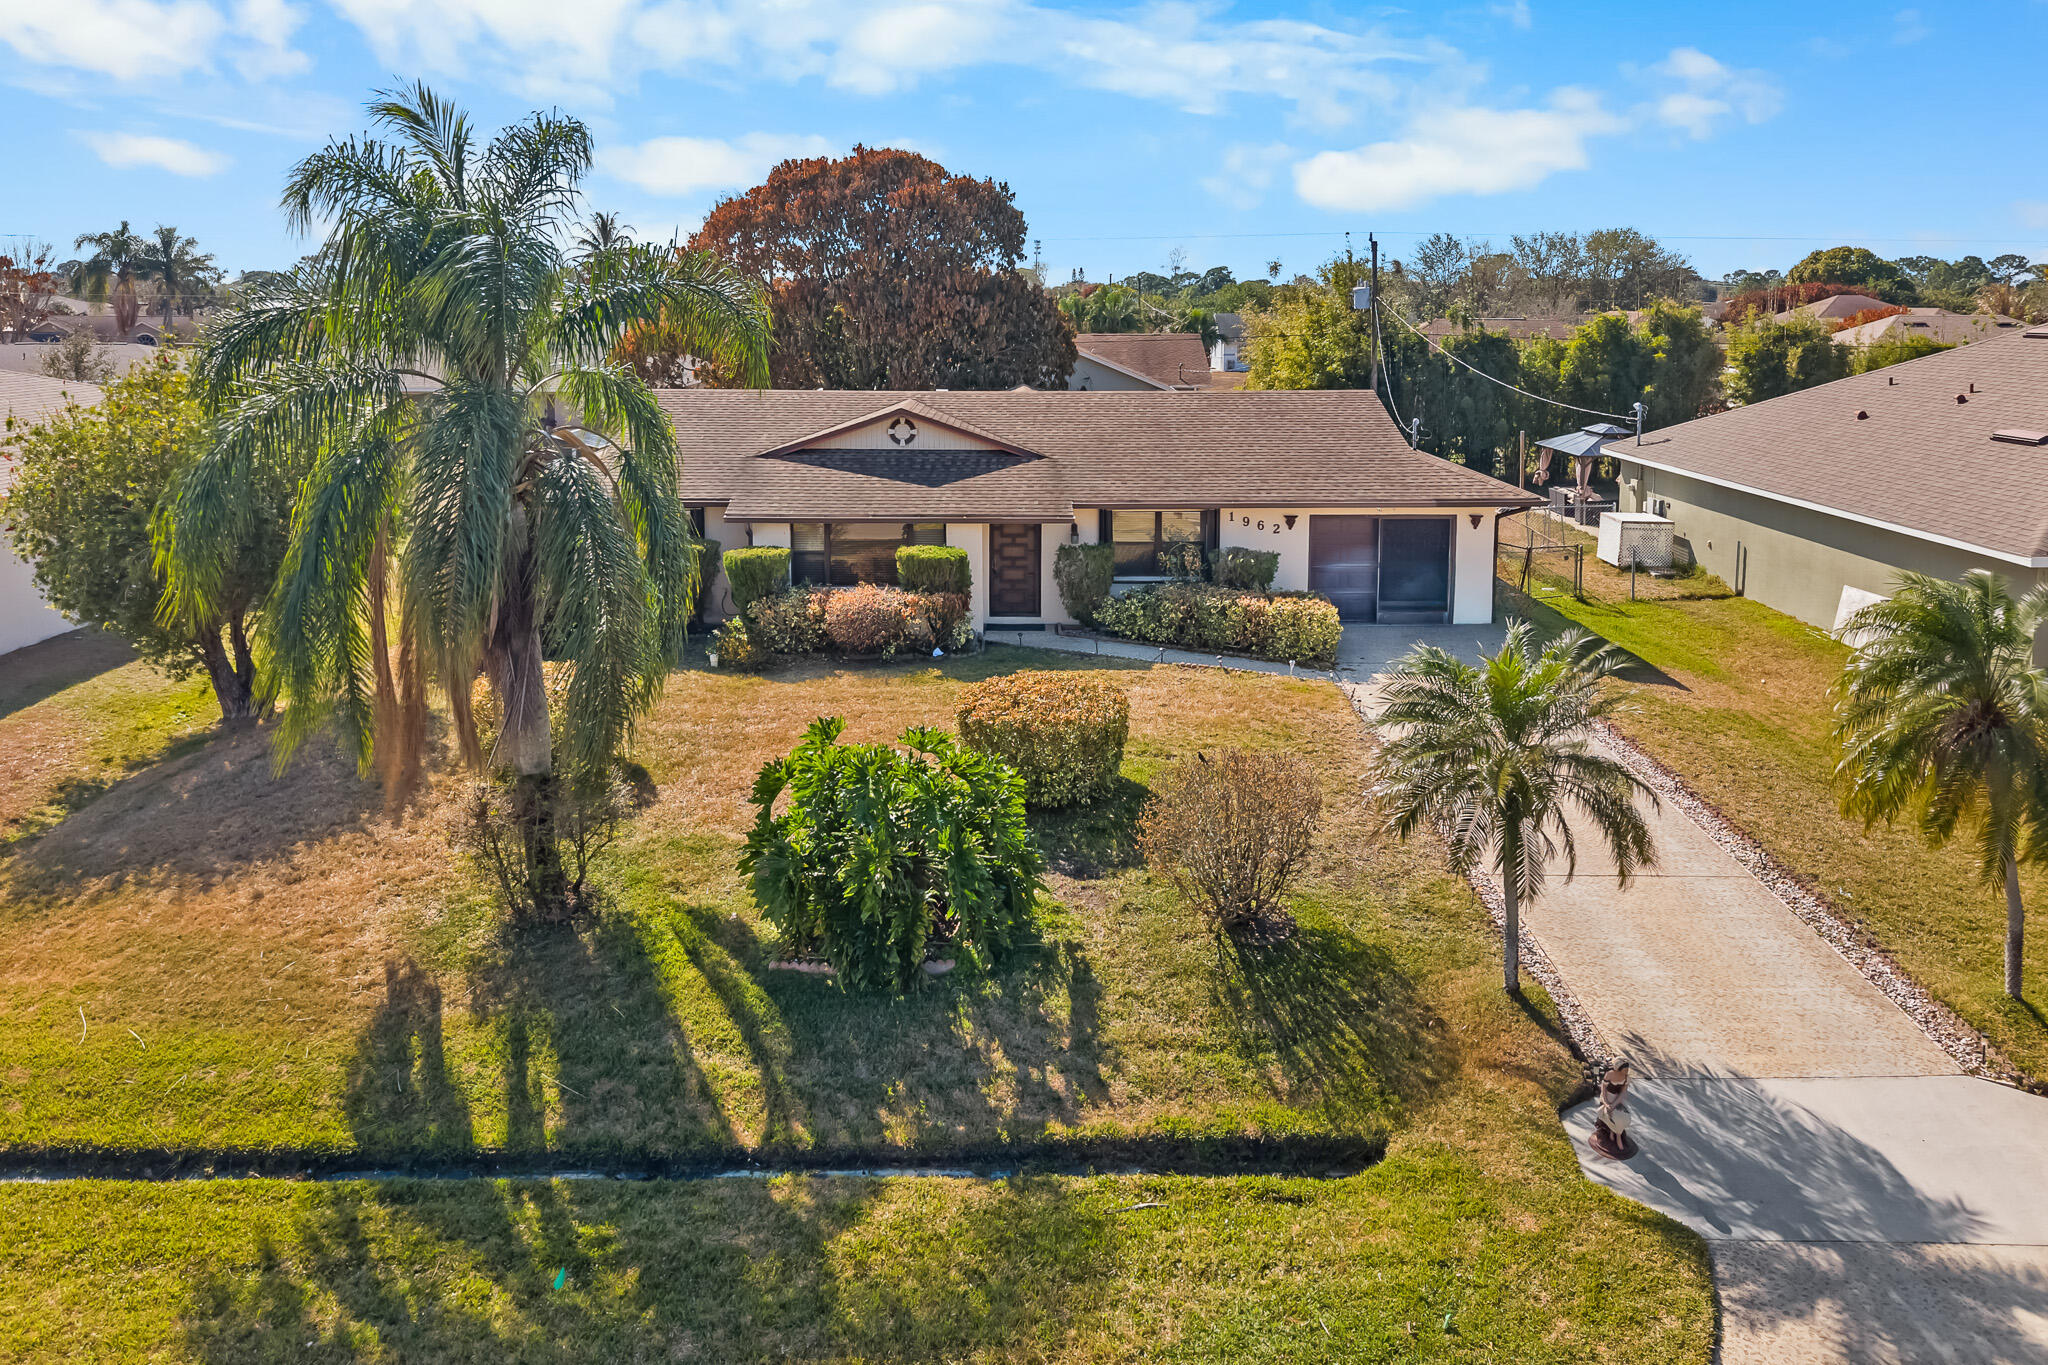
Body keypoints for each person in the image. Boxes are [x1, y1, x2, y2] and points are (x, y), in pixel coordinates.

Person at [1589, 1059, 1637, 1159]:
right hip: (1607, 1097)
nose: (1626, 1071)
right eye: (1624, 1069)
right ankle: (1611, 1132)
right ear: (1618, 1069)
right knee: (1607, 1114)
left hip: (1618, 1099)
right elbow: (1604, 1089)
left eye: (1627, 1069)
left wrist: (1615, 1104)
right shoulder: (1609, 1074)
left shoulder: (1626, 1078)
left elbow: (1623, 1092)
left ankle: (1617, 1134)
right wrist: (1606, 1103)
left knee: (1621, 1116)